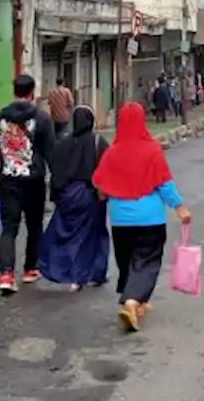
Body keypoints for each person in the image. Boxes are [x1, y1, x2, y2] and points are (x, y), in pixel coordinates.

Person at [93, 102, 192, 332]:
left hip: (120, 220)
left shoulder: (112, 152)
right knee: (147, 262)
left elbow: (99, 185)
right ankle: (132, 301)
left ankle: (138, 303)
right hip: (150, 219)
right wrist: (179, 207)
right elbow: (164, 184)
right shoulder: (152, 150)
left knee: (127, 262)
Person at [0, 74, 57, 294]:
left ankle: (6, 274)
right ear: (32, 93)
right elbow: (51, 153)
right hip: (34, 181)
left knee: (9, 228)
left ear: (14, 91)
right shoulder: (43, 119)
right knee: (35, 226)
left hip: (8, 180)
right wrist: (60, 180)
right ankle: (30, 269)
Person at [38, 106, 111, 292]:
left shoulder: (63, 144)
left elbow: (55, 172)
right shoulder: (98, 142)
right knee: (91, 235)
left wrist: (57, 195)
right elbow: (107, 169)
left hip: (68, 195)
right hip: (91, 195)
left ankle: (58, 269)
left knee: (64, 234)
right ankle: (89, 274)